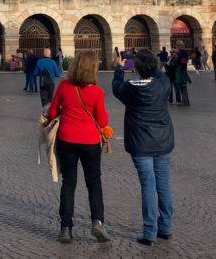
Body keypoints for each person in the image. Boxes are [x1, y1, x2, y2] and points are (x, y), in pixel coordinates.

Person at [47, 50, 111, 244]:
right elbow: (102, 120)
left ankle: (66, 227)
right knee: (94, 183)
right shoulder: (97, 92)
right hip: (90, 142)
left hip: (67, 139)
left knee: (69, 183)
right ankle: (97, 223)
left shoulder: (64, 86)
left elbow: (52, 112)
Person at [112, 50, 174, 246]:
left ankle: (150, 232)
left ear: (136, 68)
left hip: (141, 143)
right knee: (163, 185)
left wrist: (120, 68)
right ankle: (166, 227)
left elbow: (116, 87)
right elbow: (160, 74)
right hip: (163, 140)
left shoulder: (130, 88)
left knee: (148, 186)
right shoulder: (164, 84)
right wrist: (150, 64)